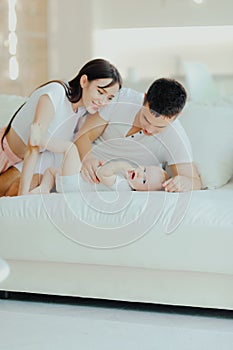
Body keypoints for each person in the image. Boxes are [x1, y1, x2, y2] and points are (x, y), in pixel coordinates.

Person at [0, 58, 122, 196]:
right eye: (100, 92)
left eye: (109, 98)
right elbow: (32, 147)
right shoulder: (56, 92)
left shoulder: (81, 113)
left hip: (19, 164)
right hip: (5, 153)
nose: (103, 102)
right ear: (83, 81)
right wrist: (23, 197)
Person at [75, 78, 202, 192]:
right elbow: (84, 135)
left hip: (113, 185)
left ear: (178, 116)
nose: (150, 130)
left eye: (159, 127)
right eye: (146, 119)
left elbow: (194, 181)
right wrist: (88, 158)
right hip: (80, 167)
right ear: (144, 99)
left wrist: (184, 182)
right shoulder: (121, 99)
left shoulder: (174, 136)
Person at [27, 123, 168, 194]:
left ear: (143, 192)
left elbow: (103, 174)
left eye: (143, 180)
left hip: (74, 184)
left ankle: (39, 140)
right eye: (144, 169)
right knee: (52, 171)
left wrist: (121, 164)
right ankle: (44, 188)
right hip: (72, 182)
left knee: (70, 149)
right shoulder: (125, 182)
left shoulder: (123, 187)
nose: (139, 173)